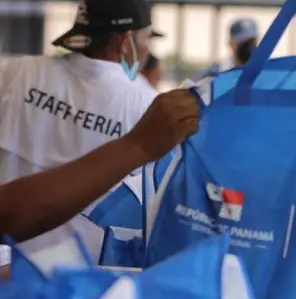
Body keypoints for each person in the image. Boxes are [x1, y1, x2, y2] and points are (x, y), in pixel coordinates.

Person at [0, 0, 161, 263]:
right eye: (146, 38)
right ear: (125, 42)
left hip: (7, 266)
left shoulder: (16, 74)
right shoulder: (146, 105)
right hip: (81, 283)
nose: (147, 49)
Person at [0, 89, 200, 278]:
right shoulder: (143, 100)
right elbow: (7, 214)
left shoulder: (16, 74)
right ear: (123, 49)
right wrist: (136, 147)